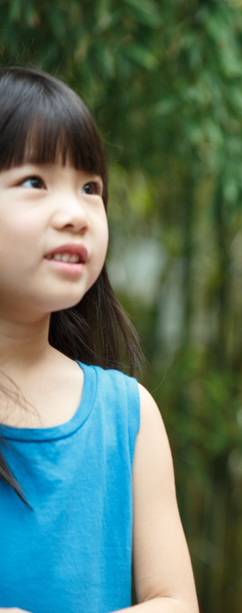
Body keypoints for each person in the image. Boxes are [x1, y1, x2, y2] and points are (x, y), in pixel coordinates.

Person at [0, 67, 198, 613]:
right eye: (34, 181)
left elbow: (174, 601)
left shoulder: (127, 413)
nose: (76, 215)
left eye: (91, 188)